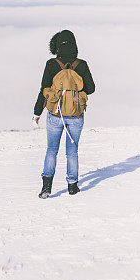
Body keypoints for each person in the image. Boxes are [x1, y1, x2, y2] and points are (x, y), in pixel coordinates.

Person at [33, 30, 96, 198]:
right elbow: (91, 89)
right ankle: (72, 186)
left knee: (51, 150)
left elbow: (43, 89)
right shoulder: (81, 64)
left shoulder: (51, 64)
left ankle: (46, 187)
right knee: (72, 151)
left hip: (55, 114)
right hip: (75, 114)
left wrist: (37, 112)